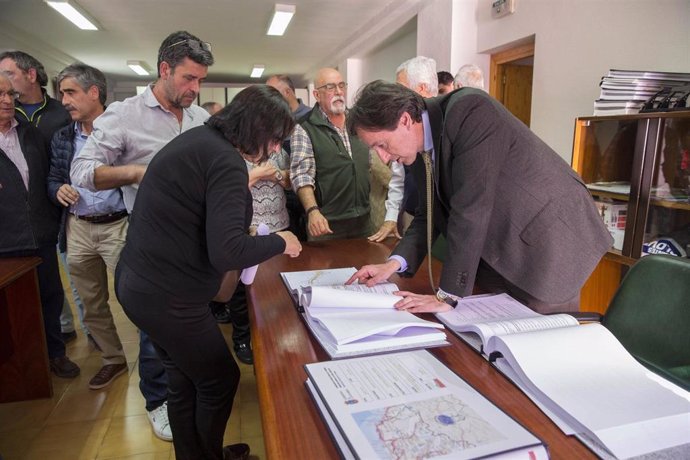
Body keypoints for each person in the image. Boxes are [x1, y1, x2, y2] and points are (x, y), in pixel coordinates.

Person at [115, 84, 301, 460]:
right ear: (258, 128)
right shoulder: (226, 162)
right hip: (167, 297)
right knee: (220, 379)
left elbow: (202, 219)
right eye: (276, 139)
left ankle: (195, 454)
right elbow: (227, 250)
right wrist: (282, 241)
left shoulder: (201, 140)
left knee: (184, 379)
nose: (276, 149)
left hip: (142, 284)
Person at [346, 81, 612, 314]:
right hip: (495, 246)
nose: (382, 157)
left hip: (549, 239)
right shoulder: (413, 149)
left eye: (381, 145)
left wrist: (447, 295)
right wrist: (392, 264)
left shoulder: (470, 111)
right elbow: (429, 212)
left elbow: (471, 207)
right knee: (488, 342)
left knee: (540, 341)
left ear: (405, 120)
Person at [71, 30, 213, 442]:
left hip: (196, 242)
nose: (195, 88)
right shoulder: (124, 115)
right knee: (154, 330)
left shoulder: (200, 118)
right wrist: (137, 171)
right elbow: (81, 171)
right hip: (153, 243)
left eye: (201, 80)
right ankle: (157, 402)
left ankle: (186, 395)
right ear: (164, 69)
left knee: (191, 323)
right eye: (188, 78)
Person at [46, 63, 129, 390]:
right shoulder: (63, 137)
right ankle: (113, 359)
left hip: (118, 226)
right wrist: (57, 189)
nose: (64, 100)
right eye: (61, 93)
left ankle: (157, 362)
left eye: (70, 92)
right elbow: (53, 177)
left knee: (134, 295)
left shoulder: (122, 129)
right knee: (91, 303)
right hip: (78, 228)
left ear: (94, 92)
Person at [0, 50, 84, 343]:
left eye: (10, 93)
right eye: (1, 94)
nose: (8, 100)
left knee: (54, 292)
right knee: (15, 307)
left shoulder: (30, 132)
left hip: (45, 226)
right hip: (6, 236)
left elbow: (48, 174)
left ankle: (57, 351)